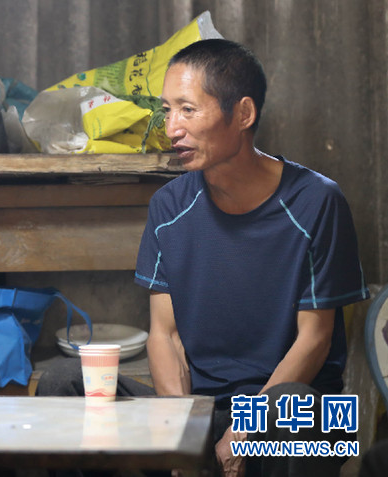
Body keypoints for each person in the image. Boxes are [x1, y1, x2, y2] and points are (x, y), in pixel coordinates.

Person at [38, 39, 369, 477]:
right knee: (63, 383)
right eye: (167, 110)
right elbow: (166, 335)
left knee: (291, 405)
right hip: (203, 411)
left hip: (294, 414)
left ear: (243, 114)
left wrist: (245, 432)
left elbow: (315, 339)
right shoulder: (169, 206)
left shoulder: (316, 201)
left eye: (188, 110)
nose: (172, 128)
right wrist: (183, 438)